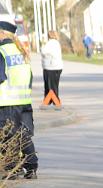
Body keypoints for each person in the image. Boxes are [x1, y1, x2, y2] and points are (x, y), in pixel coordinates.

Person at [0, 21, 37, 178]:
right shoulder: (20, 50)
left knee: (7, 135)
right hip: (23, 100)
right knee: (22, 134)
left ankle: (10, 169)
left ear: (2, 33)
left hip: (6, 101)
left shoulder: (1, 51)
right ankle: (31, 167)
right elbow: (30, 75)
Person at [41, 30, 63, 106]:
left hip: (50, 67)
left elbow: (43, 51)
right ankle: (47, 102)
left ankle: (56, 102)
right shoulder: (57, 43)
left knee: (50, 87)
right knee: (54, 86)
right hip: (57, 67)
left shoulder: (50, 43)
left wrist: (43, 44)